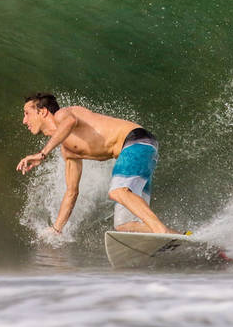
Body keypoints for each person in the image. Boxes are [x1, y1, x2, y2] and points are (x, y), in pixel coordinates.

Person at [16, 92, 176, 235]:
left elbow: (69, 122)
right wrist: (57, 229)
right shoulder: (68, 150)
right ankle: (179, 236)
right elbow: (72, 192)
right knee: (124, 225)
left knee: (118, 192)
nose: (24, 120)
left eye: (27, 113)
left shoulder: (63, 115)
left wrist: (42, 154)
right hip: (143, 152)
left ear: (43, 111)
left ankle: (161, 231)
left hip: (136, 141)